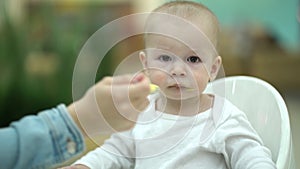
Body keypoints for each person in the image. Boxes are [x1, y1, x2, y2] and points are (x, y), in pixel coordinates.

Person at [64, 1, 276, 169]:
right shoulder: (140, 113)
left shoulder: (221, 117)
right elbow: (115, 149)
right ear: (146, 64)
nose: (177, 70)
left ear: (213, 69)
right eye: (165, 58)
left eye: (193, 59)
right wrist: (86, 164)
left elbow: (251, 154)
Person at [0, 73, 150, 169]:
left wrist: (78, 119)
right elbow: (119, 149)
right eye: (164, 58)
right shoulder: (149, 114)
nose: (174, 69)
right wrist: (85, 165)